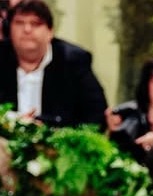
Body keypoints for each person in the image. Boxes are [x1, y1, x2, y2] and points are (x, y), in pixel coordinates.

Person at [0, 0, 107, 128]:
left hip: (57, 137)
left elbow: (96, 115)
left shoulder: (73, 61)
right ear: (9, 29)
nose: (27, 30)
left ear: (50, 32)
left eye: (35, 24)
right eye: (19, 23)